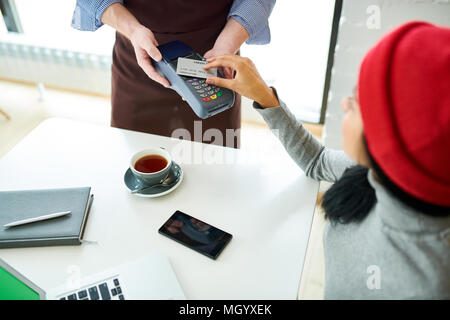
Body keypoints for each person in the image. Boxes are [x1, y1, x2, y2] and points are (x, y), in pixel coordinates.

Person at [204, 21, 450, 299]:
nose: (345, 104)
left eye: (357, 103)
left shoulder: (425, 288)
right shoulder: (379, 172)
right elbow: (317, 161)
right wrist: (263, 94)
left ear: (391, 147)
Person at [71, 0, 276, 148]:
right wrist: (133, 31)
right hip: (140, 60)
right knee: (136, 159)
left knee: (214, 167)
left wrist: (226, 44)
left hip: (215, 65)